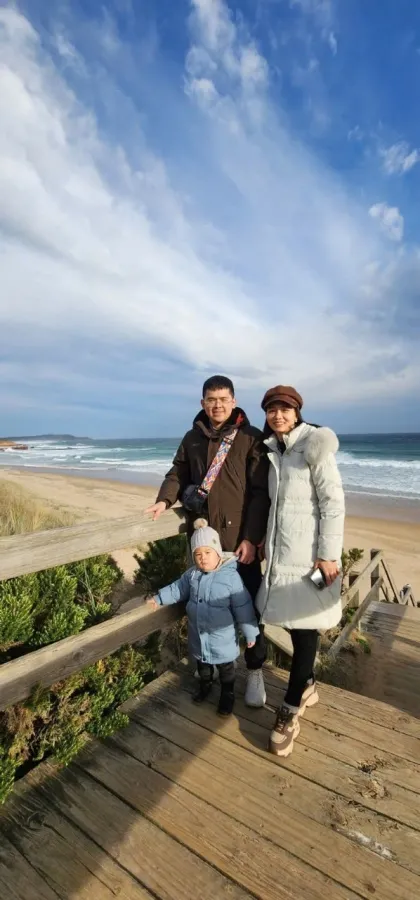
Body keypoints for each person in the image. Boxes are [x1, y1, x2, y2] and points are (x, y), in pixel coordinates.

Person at [146, 375, 270, 707]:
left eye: (223, 399)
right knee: (207, 606)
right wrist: (164, 500)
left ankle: (255, 671)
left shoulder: (250, 437)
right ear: (203, 403)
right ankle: (209, 669)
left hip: (239, 545)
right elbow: (177, 473)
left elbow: (260, 493)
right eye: (211, 400)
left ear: (234, 401)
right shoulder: (192, 438)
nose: (217, 405)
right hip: (204, 543)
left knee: (249, 608)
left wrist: (252, 538)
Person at [256, 385, 345, 758]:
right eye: (272, 409)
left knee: (306, 630)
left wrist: (328, 555)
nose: (278, 415)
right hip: (282, 555)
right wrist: (265, 539)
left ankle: (291, 709)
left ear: (297, 412)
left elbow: (333, 502)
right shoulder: (275, 449)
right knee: (294, 626)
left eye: (285, 409)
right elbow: (277, 505)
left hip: (310, 557)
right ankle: (307, 684)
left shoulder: (313, 445)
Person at [148, 519, 260, 716]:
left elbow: (243, 606)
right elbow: (177, 589)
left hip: (223, 638)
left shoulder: (230, 577)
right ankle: (205, 685)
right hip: (199, 636)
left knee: (226, 669)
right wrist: (159, 598)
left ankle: (227, 694)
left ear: (218, 553)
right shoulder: (192, 575)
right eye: (198, 554)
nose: (203, 558)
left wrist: (250, 633)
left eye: (208, 552)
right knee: (203, 666)